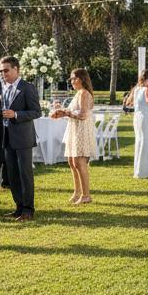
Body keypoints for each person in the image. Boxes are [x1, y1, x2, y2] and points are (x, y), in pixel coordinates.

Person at [0, 56, 42, 220]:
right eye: (1, 71)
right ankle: (19, 207)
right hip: (6, 137)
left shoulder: (28, 88)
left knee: (25, 174)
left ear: (16, 69)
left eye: (6, 70)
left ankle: (28, 210)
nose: (3, 74)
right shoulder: (2, 88)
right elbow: (2, 111)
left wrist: (16, 114)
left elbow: (36, 112)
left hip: (23, 138)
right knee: (12, 174)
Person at [54, 67, 97, 204]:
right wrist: (62, 112)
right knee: (72, 162)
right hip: (75, 129)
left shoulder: (84, 93)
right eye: (71, 79)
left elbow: (83, 115)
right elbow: (74, 111)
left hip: (81, 130)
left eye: (75, 78)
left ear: (82, 79)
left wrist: (66, 114)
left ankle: (86, 195)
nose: (72, 81)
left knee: (80, 161)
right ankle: (77, 192)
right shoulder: (78, 93)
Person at [124, 68, 148, 178]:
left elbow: (129, 103)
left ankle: (138, 169)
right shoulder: (147, 90)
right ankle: (145, 170)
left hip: (138, 117)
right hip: (147, 117)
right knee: (147, 142)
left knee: (140, 141)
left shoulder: (136, 89)